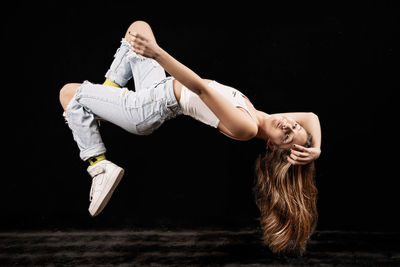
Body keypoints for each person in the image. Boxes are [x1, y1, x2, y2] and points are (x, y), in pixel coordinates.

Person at [59, 21, 321, 254]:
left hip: (146, 108)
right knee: (137, 30)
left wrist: (158, 54)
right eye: (293, 126)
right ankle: (104, 103)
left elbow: (200, 88)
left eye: (287, 135)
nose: (288, 124)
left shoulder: (247, 128)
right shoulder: (260, 115)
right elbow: (310, 116)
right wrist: (316, 149)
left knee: (68, 94)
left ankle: (98, 165)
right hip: (156, 89)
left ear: (272, 145)